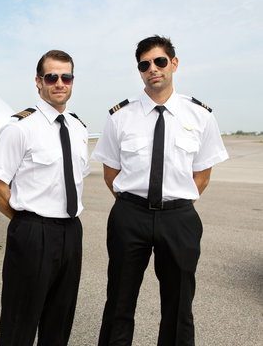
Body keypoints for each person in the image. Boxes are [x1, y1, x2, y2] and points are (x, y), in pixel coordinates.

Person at [92, 35, 229, 345]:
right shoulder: (120, 116)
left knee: (180, 305)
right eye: (144, 64)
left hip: (179, 218)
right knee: (119, 301)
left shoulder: (201, 116)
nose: (152, 68)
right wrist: (135, 204)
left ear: (174, 64)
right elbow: (111, 173)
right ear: (139, 71)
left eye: (159, 61)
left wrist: (175, 203)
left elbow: (203, 176)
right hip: (130, 216)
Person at [0, 50, 90, 345]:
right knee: (20, 321)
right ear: (38, 81)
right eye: (52, 77)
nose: (59, 83)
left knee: (60, 319)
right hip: (33, 231)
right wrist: (24, 223)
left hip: (71, 232)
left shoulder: (79, 128)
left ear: (72, 81)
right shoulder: (20, 127)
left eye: (66, 77)